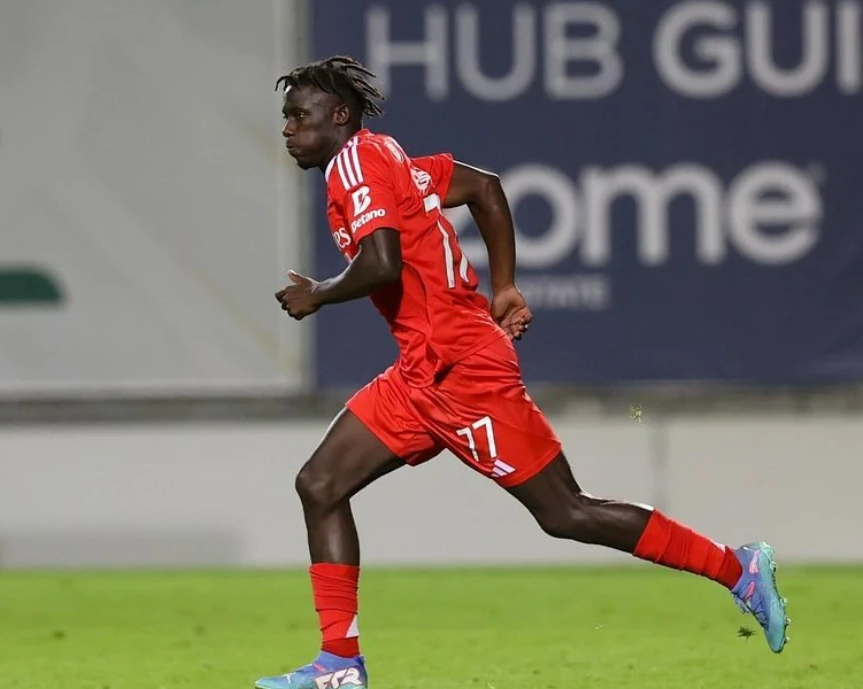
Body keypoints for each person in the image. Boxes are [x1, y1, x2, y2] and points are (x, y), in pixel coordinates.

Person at [257, 56, 789, 689]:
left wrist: (317, 293)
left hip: (461, 372)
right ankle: (340, 665)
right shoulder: (386, 157)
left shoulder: (357, 163)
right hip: (422, 372)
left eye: (298, 116)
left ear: (337, 116)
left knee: (567, 512)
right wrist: (504, 287)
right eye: (286, 117)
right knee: (320, 484)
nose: (288, 129)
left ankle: (738, 568)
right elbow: (484, 188)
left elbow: (382, 264)